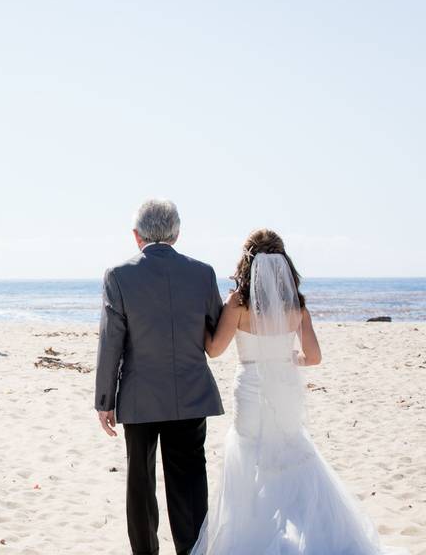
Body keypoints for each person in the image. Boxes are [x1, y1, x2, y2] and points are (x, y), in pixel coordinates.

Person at [192, 229, 407, 554]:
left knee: (249, 457)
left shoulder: (238, 303)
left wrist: (201, 326)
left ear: (247, 263)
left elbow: (214, 350)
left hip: (249, 388)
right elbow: (315, 357)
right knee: (292, 454)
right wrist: (292, 358)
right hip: (284, 389)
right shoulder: (296, 305)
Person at [94, 199, 223, 555]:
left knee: (140, 484)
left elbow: (111, 343)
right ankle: (193, 550)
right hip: (192, 393)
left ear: (136, 236)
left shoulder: (118, 275)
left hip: (139, 396)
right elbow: (216, 331)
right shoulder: (203, 273)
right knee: (191, 484)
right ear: (177, 233)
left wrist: (104, 401)